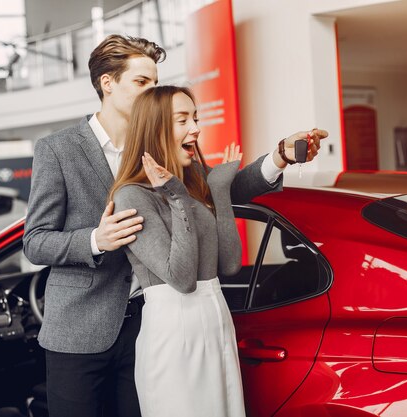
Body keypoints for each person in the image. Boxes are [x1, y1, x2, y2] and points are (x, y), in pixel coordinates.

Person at [23, 34, 327, 417]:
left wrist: (280, 157)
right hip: (81, 329)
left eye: (155, 80)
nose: (154, 90)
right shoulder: (58, 149)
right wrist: (95, 240)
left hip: (152, 325)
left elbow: (219, 189)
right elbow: (35, 241)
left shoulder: (162, 145)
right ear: (108, 83)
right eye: (142, 82)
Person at [110, 85, 246, 416]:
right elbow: (181, 278)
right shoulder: (132, 196)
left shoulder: (193, 185)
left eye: (195, 118)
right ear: (154, 129)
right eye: (182, 119)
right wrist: (177, 198)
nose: (196, 128)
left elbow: (229, 265)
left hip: (216, 322)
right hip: (174, 331)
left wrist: (219, 191)